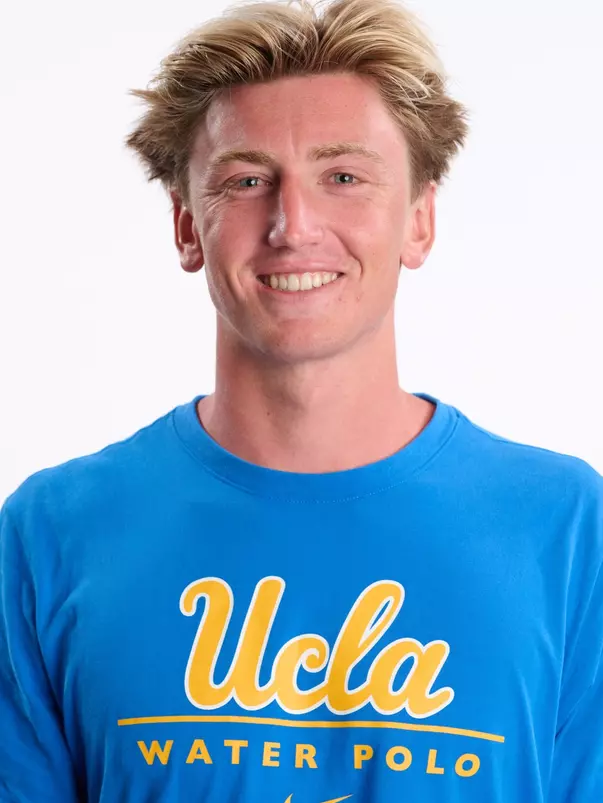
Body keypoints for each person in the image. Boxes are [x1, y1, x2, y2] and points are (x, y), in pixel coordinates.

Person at [1, 0, 601, 799]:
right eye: (247, 181)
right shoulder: (51, 531)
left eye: (343, 176)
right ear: (187, 227)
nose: (292, 222)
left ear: (418, 221)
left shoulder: (566, 529)